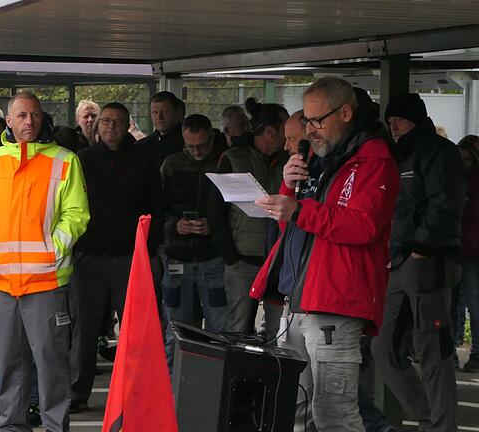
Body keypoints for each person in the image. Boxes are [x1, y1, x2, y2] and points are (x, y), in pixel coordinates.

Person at [251, 77, 399, 431]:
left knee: (334, 412)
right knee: (296, 407)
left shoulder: (374, 158)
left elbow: (363, 225)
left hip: (336, 301)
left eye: (318, 121)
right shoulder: (318, 157)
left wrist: (299, 209)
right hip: (300, 297)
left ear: (346, 113)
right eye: (307, 122)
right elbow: (292, 230)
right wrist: (288, 183)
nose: (311, 131)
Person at [0, 92, 89, 432]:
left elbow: (77, 215)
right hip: (2, 281)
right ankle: (12, 425)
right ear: (7, 121)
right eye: (22, 115)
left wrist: (52, 249)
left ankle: (56, 426)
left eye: (35, 115)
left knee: (50, 362)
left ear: (43, 118)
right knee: (11, 363)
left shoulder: (65, 160)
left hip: (46, 280)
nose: (29, 121)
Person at [372, 92, 465, 432]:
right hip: (400, 261)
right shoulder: (397, 154)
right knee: (382, 347)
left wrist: (421, 249)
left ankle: (440, 426)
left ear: (410, 119)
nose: (392, 126)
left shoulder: (439, 151)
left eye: (396, 119)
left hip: (428, 262)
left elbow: (446, 204)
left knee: (434, 353)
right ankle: (429, 418)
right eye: (389, 120)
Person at [70, 102, 162, 413]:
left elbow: (155, 206)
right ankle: (77, 392)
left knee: (134, 329)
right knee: (84, 328)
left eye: (118, 122)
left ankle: (135, 393)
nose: (111, 127)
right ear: (97, 126)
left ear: (127, 126)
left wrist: (147, 249)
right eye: (106, 121)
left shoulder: (143, 160)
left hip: (129, 256)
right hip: (88, 255)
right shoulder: (83, 160)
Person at [208, 103, 289, 342]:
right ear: (272, 132)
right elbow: (215, 212)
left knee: (277, 332)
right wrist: (231, 257)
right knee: (237, 329)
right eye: (286, 128)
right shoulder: (232, 158)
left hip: (278, 260)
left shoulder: (289, 160)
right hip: (242, 260)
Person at [161, 114, 225, 336]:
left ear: (212, 137)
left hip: (214, 256)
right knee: (175, 331)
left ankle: (215, 372)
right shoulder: (171, 164)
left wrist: (214, 226)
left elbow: (237, 210)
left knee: (220, 329)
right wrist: (174, 225)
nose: (197, 151)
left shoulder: (223, 163)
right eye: (190, 146)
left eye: (202, 146)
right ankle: (174, 372)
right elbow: (156, 208)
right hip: (177, 253)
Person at [454, 135, 479, 372]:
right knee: (461, 303)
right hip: (462, 247)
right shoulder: (463, 177)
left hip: (468, 248)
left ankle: (471, 351)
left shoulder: (463, 179)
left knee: (469, 302)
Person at [139, 91, 186, 169]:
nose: (159, 117)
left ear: (177, 112)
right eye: (155, 112)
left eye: (165, 112)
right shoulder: (142, 146)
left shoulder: (190, 144)